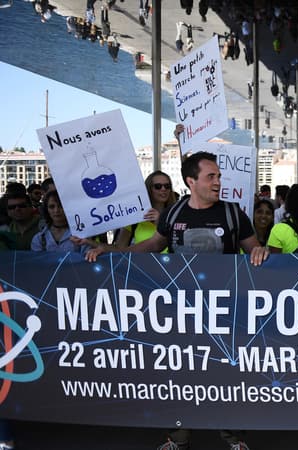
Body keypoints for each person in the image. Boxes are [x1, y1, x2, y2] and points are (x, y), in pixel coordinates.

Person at [83, 152, 267, 450]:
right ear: (191, 181)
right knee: (181, 373)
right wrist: (112, 252)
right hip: (183, 312)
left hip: (225, 313)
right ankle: (178, 437)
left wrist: (259, 252)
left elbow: (254, 249)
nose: (218, 182)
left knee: (226, 374)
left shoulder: (234, 214)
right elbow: (153, 245)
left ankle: (233, 437)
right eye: (211, 177)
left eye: (219, 176)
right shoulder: (174, 214)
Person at [113, 171, 177, 251]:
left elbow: (181, 241)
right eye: (158, 186)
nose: (163, 189)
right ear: (149, 189)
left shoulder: (177, 213)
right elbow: (119, 249)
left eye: (167, 186)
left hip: (171, 262)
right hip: (140, 262)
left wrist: (160, 223)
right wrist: (94, 244)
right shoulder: (136, 216)